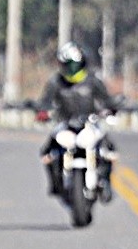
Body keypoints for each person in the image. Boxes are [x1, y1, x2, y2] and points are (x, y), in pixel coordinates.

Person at [36, 41, 118, 200]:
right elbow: (45, 102)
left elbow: (107, 100)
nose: (71, 68)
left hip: (89, 123)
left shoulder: (93, 81)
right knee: (47, 153)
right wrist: (42, 112)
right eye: (67, 64)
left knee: (109, 150)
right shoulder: (56, 82)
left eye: (74, 64)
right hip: (65, 124)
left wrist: (110, 110)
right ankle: (56, 183)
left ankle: (105, 182)